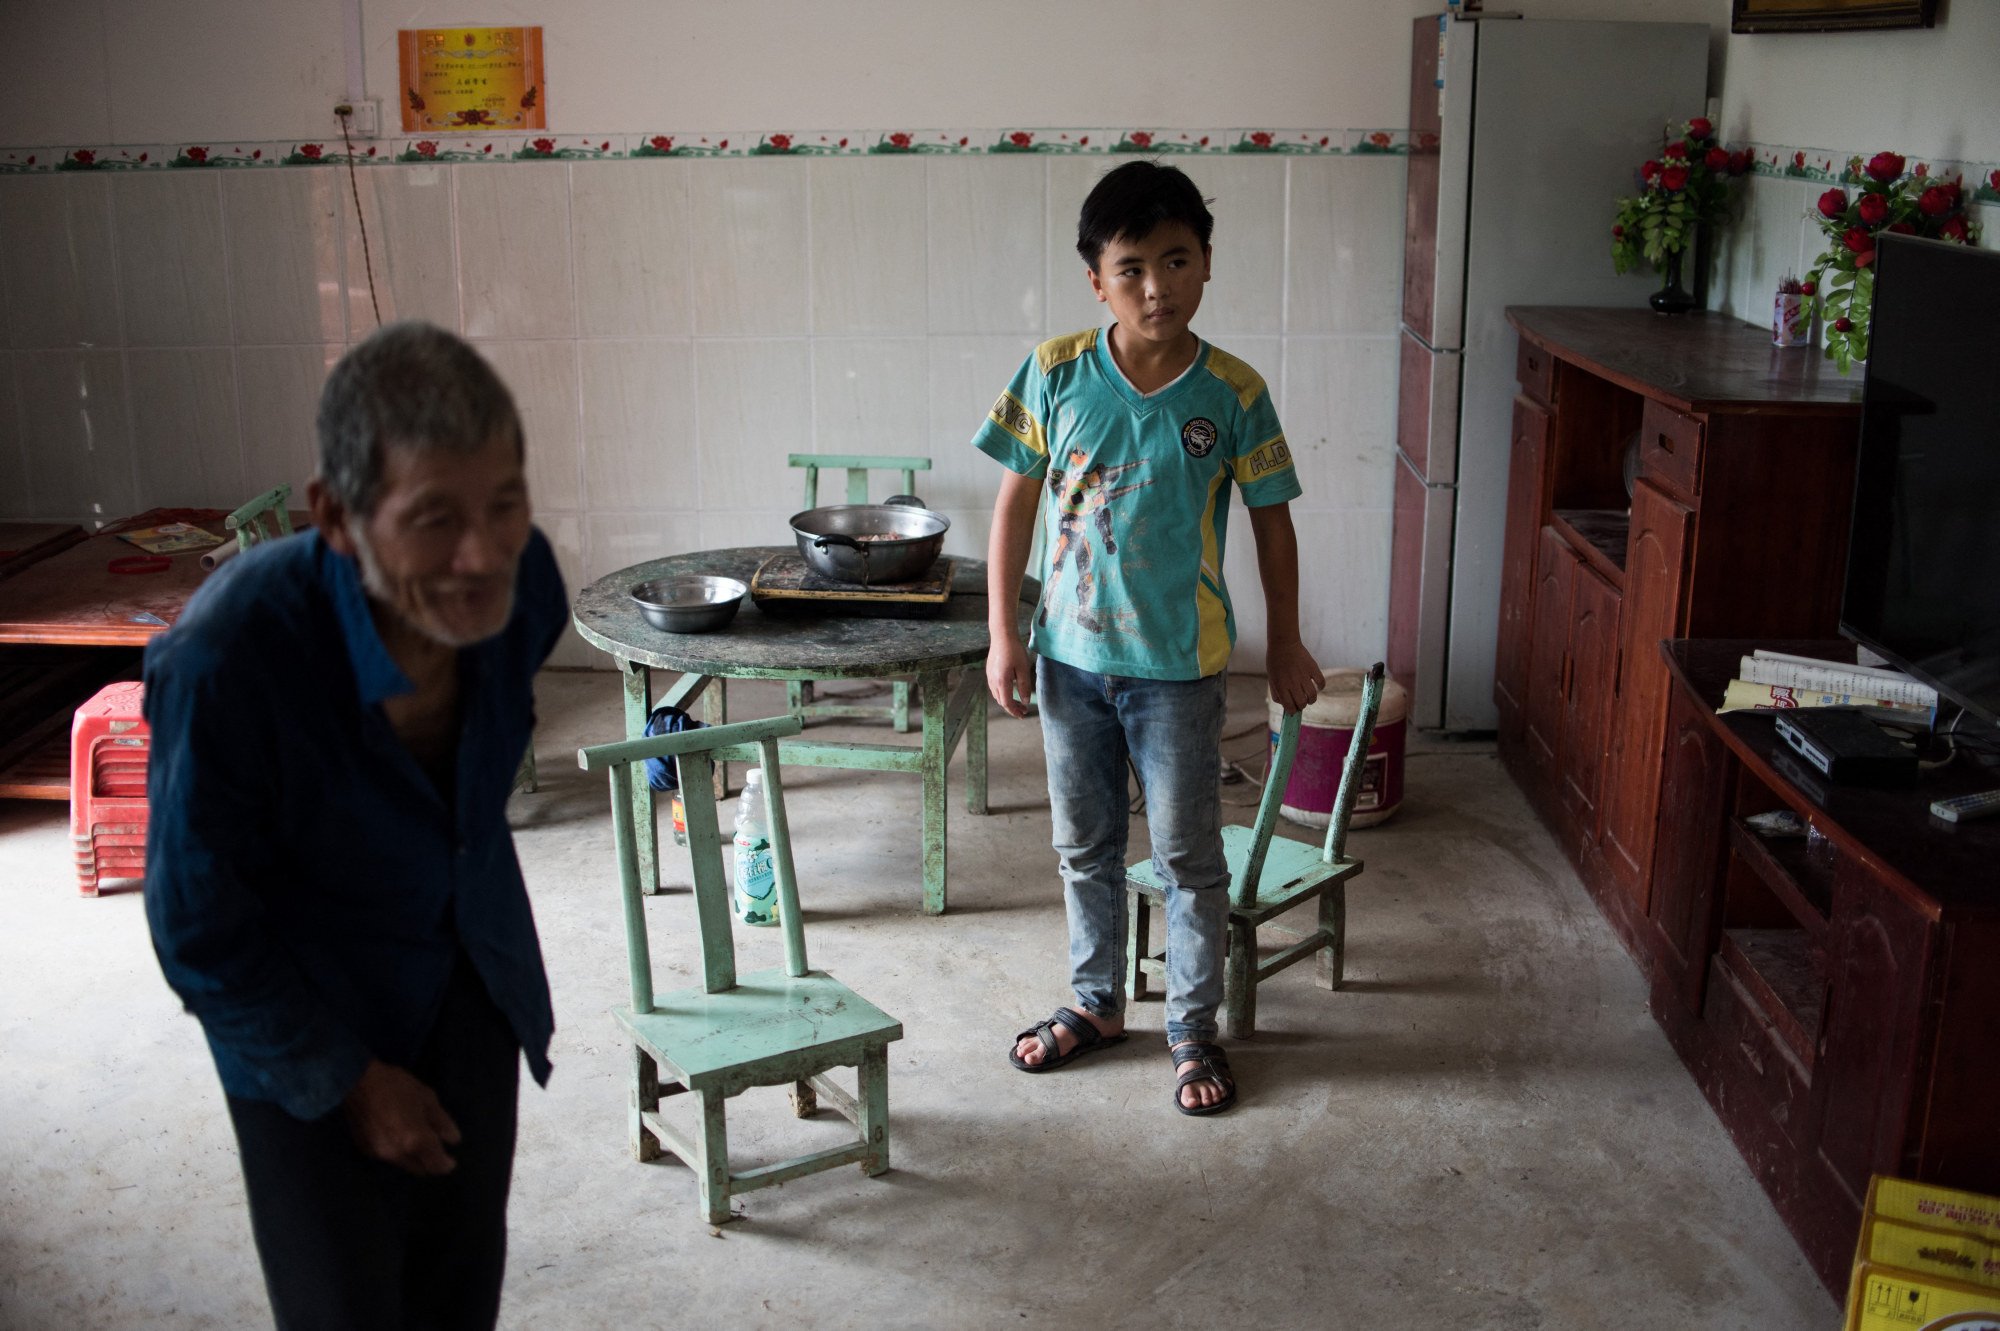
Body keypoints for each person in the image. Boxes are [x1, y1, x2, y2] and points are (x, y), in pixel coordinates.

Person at [143, 321, 569, 1328]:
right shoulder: (229, 657)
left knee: (459, 1284)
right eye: (432, 518)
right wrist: (342, 1077)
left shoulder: (528, 585)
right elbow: (198, 923)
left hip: (469, 974)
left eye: (503, 503)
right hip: (300, 1005)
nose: (481, 556)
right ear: (334, 515)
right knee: (343, 1301)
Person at [974, 160, 1324, 1116]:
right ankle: (1096, 1002)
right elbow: (1013, 513)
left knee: (1186, 853)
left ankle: (1190, 1024)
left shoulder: (1235, 392)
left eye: (1177, 261)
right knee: (1082, 843)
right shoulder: (1053, 373)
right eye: (1131, 268)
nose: (1156, 287)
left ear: (1208, 264)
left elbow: (1273, 521)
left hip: (1180, 668)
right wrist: (1006, 635)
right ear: (1096, 279)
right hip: (1069, 661)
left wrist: (1286, 642)